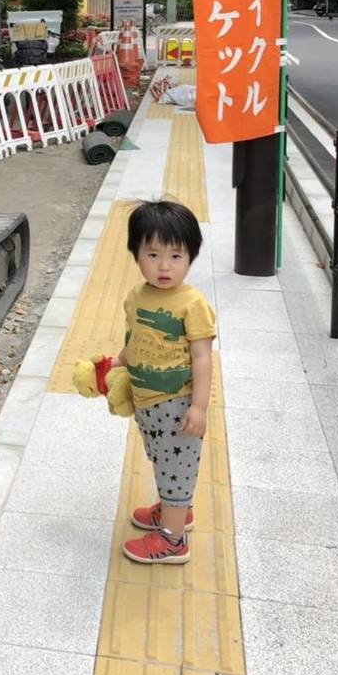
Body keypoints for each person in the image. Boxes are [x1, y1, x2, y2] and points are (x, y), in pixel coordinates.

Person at [110, 200, 216, 565]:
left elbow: (202, 357)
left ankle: (173, 540)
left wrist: (199, 407)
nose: (164, 265)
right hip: (147, 401)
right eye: (153, 254)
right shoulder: (137, 296)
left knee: (176, 466)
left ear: (191, 256)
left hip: (178, 403)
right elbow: (136, 338)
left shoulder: (193, 303)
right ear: (136, 254)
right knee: (164, 462)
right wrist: (117, 363)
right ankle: (176, 510)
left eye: (175, 255)